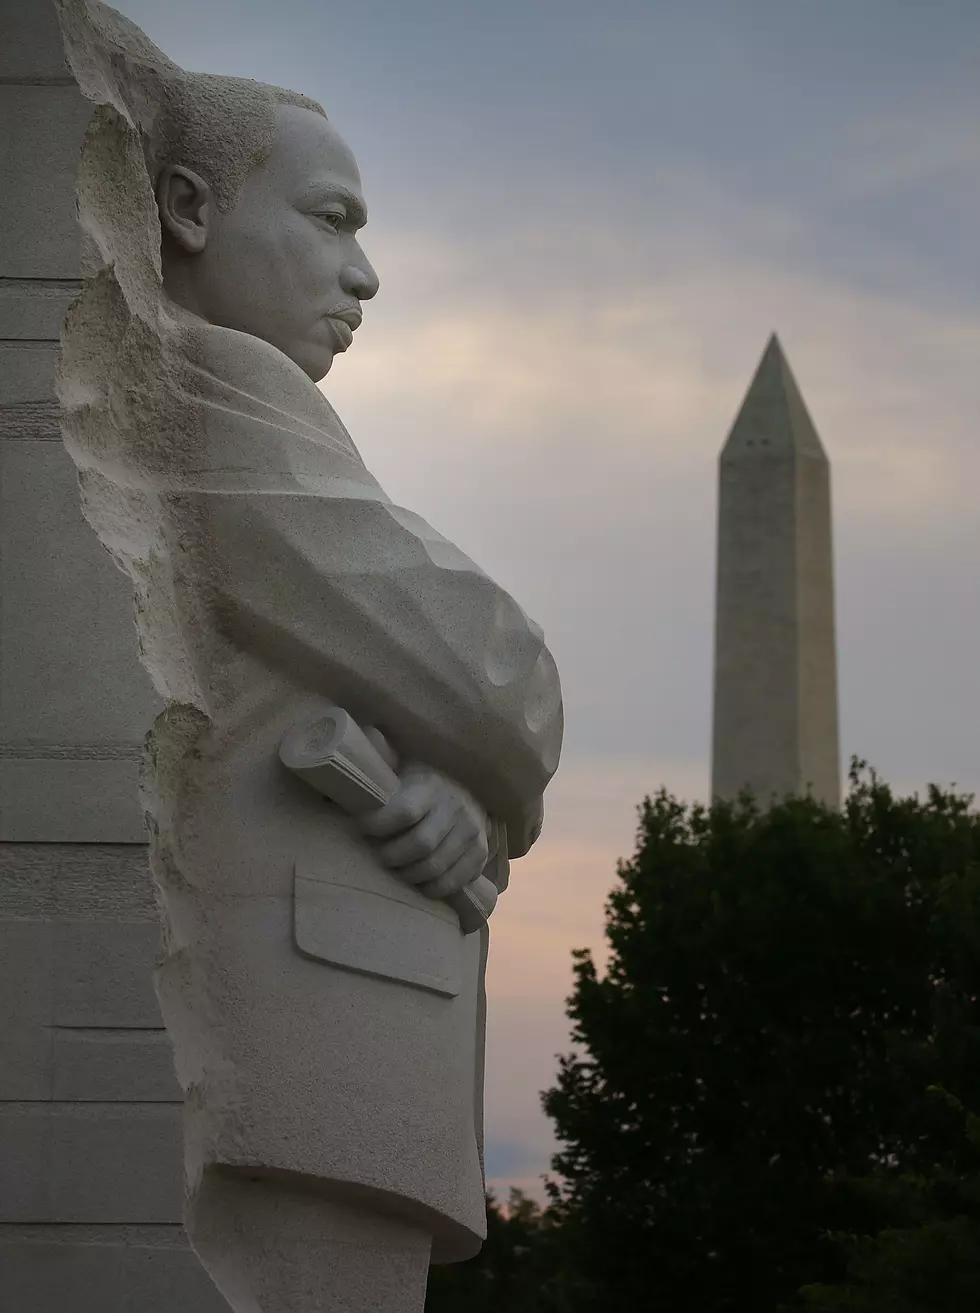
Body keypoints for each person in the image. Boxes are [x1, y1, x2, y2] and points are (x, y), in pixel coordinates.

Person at [57, 4, 563, 1310]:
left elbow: (400, 695)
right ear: (186, 208)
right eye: (331, 219)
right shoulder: (211, 388)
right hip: (302, 1043)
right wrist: (488, 752)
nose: (366, 275)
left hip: (331, 1044)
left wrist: (468, 802)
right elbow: (490, 677)